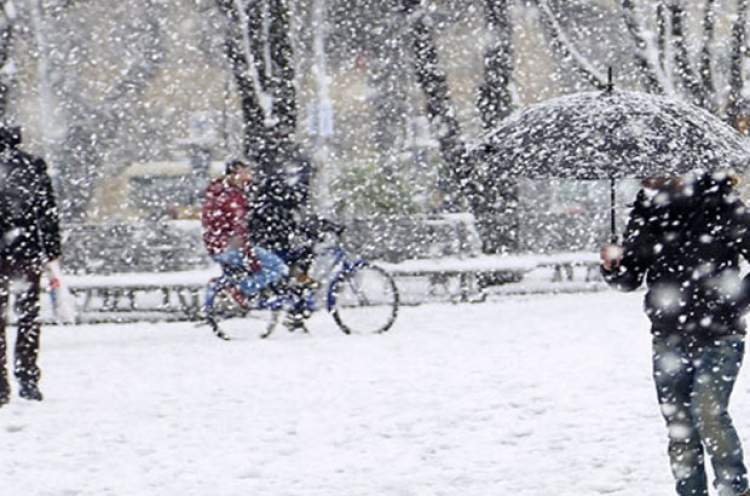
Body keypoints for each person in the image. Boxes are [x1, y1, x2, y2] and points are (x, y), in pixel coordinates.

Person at [601, 171, 750, 496]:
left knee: (708, 414)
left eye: (655, 172)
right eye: (645, 174)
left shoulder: (721, 202)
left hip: (721, 334)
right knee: (679, 427)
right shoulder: (646, 211)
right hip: (668, 336)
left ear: (679, 168)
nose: (648, 179)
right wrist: (613, 267)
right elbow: (629, 279)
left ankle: (735, 490)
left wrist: (737, 299)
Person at [0, 126, 62, 405]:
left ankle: (1, 383)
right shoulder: (32, 166)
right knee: (28, 316)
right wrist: (51, 250)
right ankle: (27, 376)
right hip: (27, 251)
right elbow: (47, 212)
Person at [201, 159, 287, 304]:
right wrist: (249, 255)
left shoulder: (219, 193)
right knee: (277, 267)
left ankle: (246, 290)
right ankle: (241, 289)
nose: (248, 177)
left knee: (266, 264)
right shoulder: (231, 198)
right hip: (229, 247)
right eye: (244, 173)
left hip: (217, 246)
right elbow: (237, 230)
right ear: (233, 175)